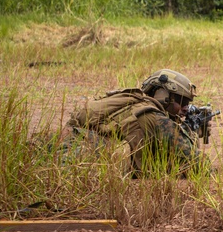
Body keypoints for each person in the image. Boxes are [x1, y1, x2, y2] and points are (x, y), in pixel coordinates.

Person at [63, 69, 203, 177]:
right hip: (85, 159)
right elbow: (198, 165)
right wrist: (192, 134)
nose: (185, 108)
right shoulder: (156, 118)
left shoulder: (130, 102)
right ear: (163, 95)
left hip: (71, 142)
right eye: (182, 101)